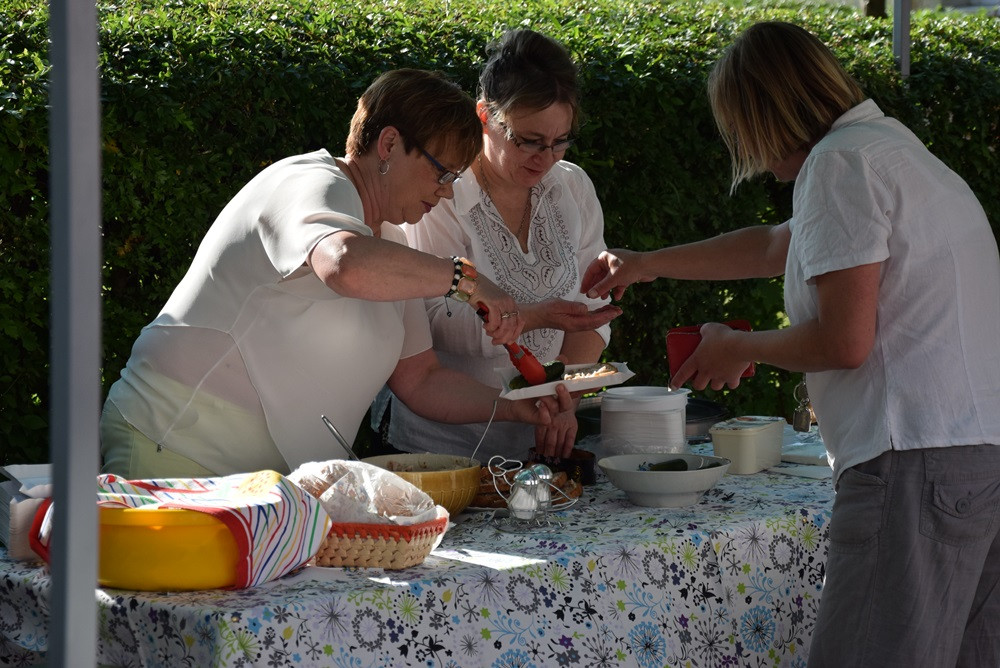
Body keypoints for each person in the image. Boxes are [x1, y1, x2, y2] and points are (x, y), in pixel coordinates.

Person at [581, 21, 1000, 668]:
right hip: (973, 460)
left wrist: (739, 347)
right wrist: (647, 263)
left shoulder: (841, 163)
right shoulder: (887, 150)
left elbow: (845, 339)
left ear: (765, 113)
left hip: (911, 462)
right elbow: (778, 244)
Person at [100, 68, 575, 480]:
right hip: (177, 447)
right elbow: (342, 264)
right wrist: (464, 279)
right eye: (441, 173)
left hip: (275, 488)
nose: (447, 194)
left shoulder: (393, 247)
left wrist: (516, 408)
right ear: (389, 143)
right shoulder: (309, 181)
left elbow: (422, 380)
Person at [374, 29, 621, 463]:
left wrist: (564, 395)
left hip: (536, 440)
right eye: (527, 140)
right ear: (485, 115)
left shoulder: (573, 188)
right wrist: (535, 316)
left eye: (559, 141)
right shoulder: (441, 192)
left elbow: (589, 316)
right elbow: (435, 321)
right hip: (438, 446)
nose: (545, 157)